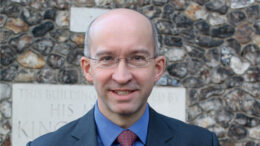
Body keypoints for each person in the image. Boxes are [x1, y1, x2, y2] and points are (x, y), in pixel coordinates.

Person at [27, 8, 220, 146]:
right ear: (87, 69)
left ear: (158, 68)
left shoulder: (201, 142)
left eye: (137, 58)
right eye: (107, 58)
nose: (121, 76)